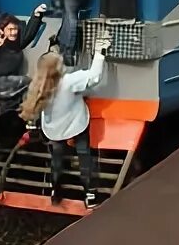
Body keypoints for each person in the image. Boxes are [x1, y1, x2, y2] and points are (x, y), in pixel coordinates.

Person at [19, 34, 112, 209]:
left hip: (54, 130)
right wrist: (100, 52)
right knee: (84, 157)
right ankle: (90, 195)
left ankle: (55, 192)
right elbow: (94, 76)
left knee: (57, 159)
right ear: (57, 69)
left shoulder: (38, 85)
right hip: (77, 125)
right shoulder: (69, 81)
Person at [0, 4, 48, 113]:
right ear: (2, 31)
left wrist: (36, 15)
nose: (14, 32)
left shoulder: (16, 42)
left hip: (6, 82)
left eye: (15, 29)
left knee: (15, 102)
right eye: (10, 29)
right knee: (28, 82)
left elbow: (28, 35)